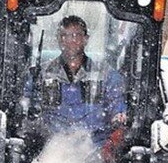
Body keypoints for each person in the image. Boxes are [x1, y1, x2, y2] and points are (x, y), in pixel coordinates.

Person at [24, 15, 127, 154]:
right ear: (58, 39)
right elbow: (27, 109)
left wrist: (117, 119)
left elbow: (117, 106)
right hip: (51, 150)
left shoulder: (106, 75)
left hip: (94, 150)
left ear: (86, 39)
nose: (70, 41)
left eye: (76, 35)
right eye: (64, 36)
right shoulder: (40, 75)